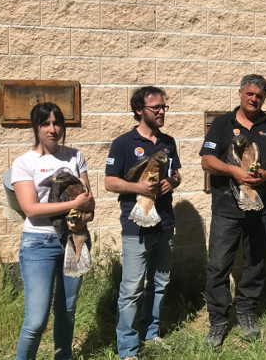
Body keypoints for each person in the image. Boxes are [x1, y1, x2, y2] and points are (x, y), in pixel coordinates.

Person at [200, 74, 266, 347]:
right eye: (250, 93)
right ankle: (218, 319)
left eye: (259, 96)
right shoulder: (221, 124)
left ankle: (246, 311)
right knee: (218, 264)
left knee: (256, 262)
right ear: (240, 93)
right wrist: (234, 171)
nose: (254, 99)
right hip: (227, 208)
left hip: (261, 208)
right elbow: (207, 160)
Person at [11, 102, 95, 360]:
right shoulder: (24, 162)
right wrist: (73, 205)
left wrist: (81, 218)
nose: (52, 129)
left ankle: (63, 357)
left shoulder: (75, 156)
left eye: (57, 123)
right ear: (35, 128)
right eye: (45, 124)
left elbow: (89, 203)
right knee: (36, 319)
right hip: (39, 243)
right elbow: (31, 209)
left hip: (74, 240)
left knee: (67, 310)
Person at [105, 86, 182, 360]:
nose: (162, 111)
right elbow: (109, 181)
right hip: (135, 227)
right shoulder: (123, 143)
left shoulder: (168, 142)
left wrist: (170, 182)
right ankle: (128, 348)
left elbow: (177, 175)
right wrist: (138, 187)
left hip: (165, 224)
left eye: (164, 107)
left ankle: (151, 334)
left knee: (160, 283)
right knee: (132, 289)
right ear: (140, 110)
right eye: (156, 108)